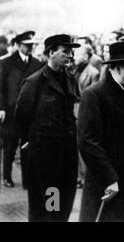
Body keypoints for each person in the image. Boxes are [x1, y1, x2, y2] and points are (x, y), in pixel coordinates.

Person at [77, 41, 124, 222]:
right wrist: (109, 178)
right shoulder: (94, 95)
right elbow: (87, 142)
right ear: (117, 68)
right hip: (110, 186)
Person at [14, 34, 80, 222]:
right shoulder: (35, 82)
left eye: (71, 52)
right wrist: (31, 142)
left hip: (66, 155)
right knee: (47, 205)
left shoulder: (69, 79)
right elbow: (21, 116)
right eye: (65, 52)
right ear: (51, 52)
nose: (70, 56)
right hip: (45, 157)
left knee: (64, 201)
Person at [0, 31, 43, 188]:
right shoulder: (6, 63)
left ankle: (28, 179)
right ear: (18, 45)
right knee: (10, 146)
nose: (30, 47)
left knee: (27, 146)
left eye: (31, 45)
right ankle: (7, 176)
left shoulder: (37, 64)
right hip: (11, 112)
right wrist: (1, 108)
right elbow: (1, 88)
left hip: (29, 112)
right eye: (26, 45)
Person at [73, 44, 100, 188]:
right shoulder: (74, 69)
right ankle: (79, 176)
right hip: (74, 112)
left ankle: (85, 177)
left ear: (86, 56)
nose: (75, 57)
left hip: (83, 112)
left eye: (78, 54)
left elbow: (92, 97)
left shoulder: (93, 72)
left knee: (83, 146)